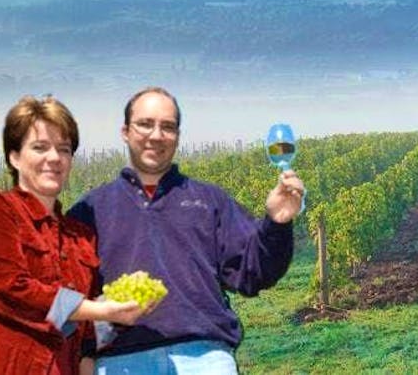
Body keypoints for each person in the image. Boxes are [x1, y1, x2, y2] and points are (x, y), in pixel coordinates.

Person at [67, 86, 304, 374]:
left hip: (204, 357)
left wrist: (276, 223)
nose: (156, 135)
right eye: (145, 124)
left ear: (177, 136)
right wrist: (84, 357)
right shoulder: (90, 210)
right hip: (122, 362)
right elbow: (69, 297)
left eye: (167, 127)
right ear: (125, 131)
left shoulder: (210, 201)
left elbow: (252, 273)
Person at [0, 96, 146, 375]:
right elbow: (10, 290)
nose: (54, 158)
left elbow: (81, 327)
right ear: (14, 157)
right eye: (40, 147)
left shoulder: (80, 236)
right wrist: (102, 311)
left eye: (63, 149)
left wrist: (122, 303)